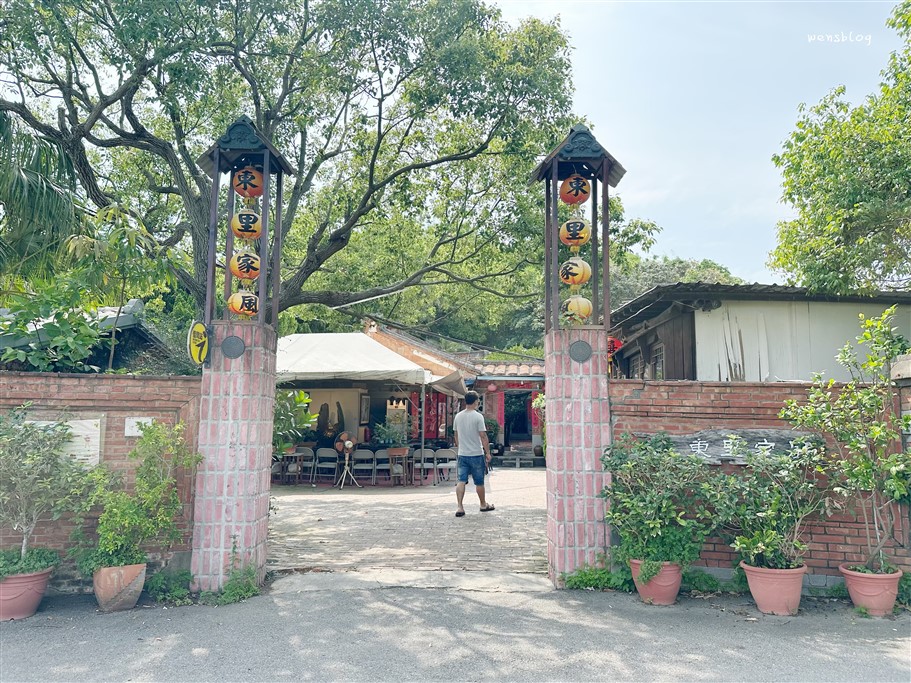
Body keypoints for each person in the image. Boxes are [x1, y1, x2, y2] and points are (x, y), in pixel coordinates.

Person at [452, 390, 494, 517]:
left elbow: (456, 435)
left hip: (462, 454)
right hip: (476, 453)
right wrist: (488, 452)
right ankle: (482, 504)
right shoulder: (478, 416)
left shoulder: (458, 416)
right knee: (479, 481)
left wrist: (460, 448)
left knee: (461, 480)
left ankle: (460, 507)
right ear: (476, 401)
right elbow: (483, 435)